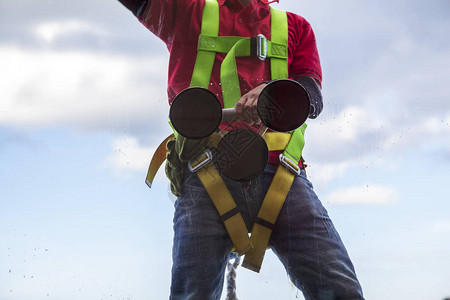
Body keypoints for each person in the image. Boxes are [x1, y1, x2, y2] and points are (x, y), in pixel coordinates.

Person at [117, 0, 365, 299]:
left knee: (342, 292)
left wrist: (277, 92)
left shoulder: (296, 28)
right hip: (204, 173)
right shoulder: (186, 13)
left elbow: (312, 96)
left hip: (282, 177)